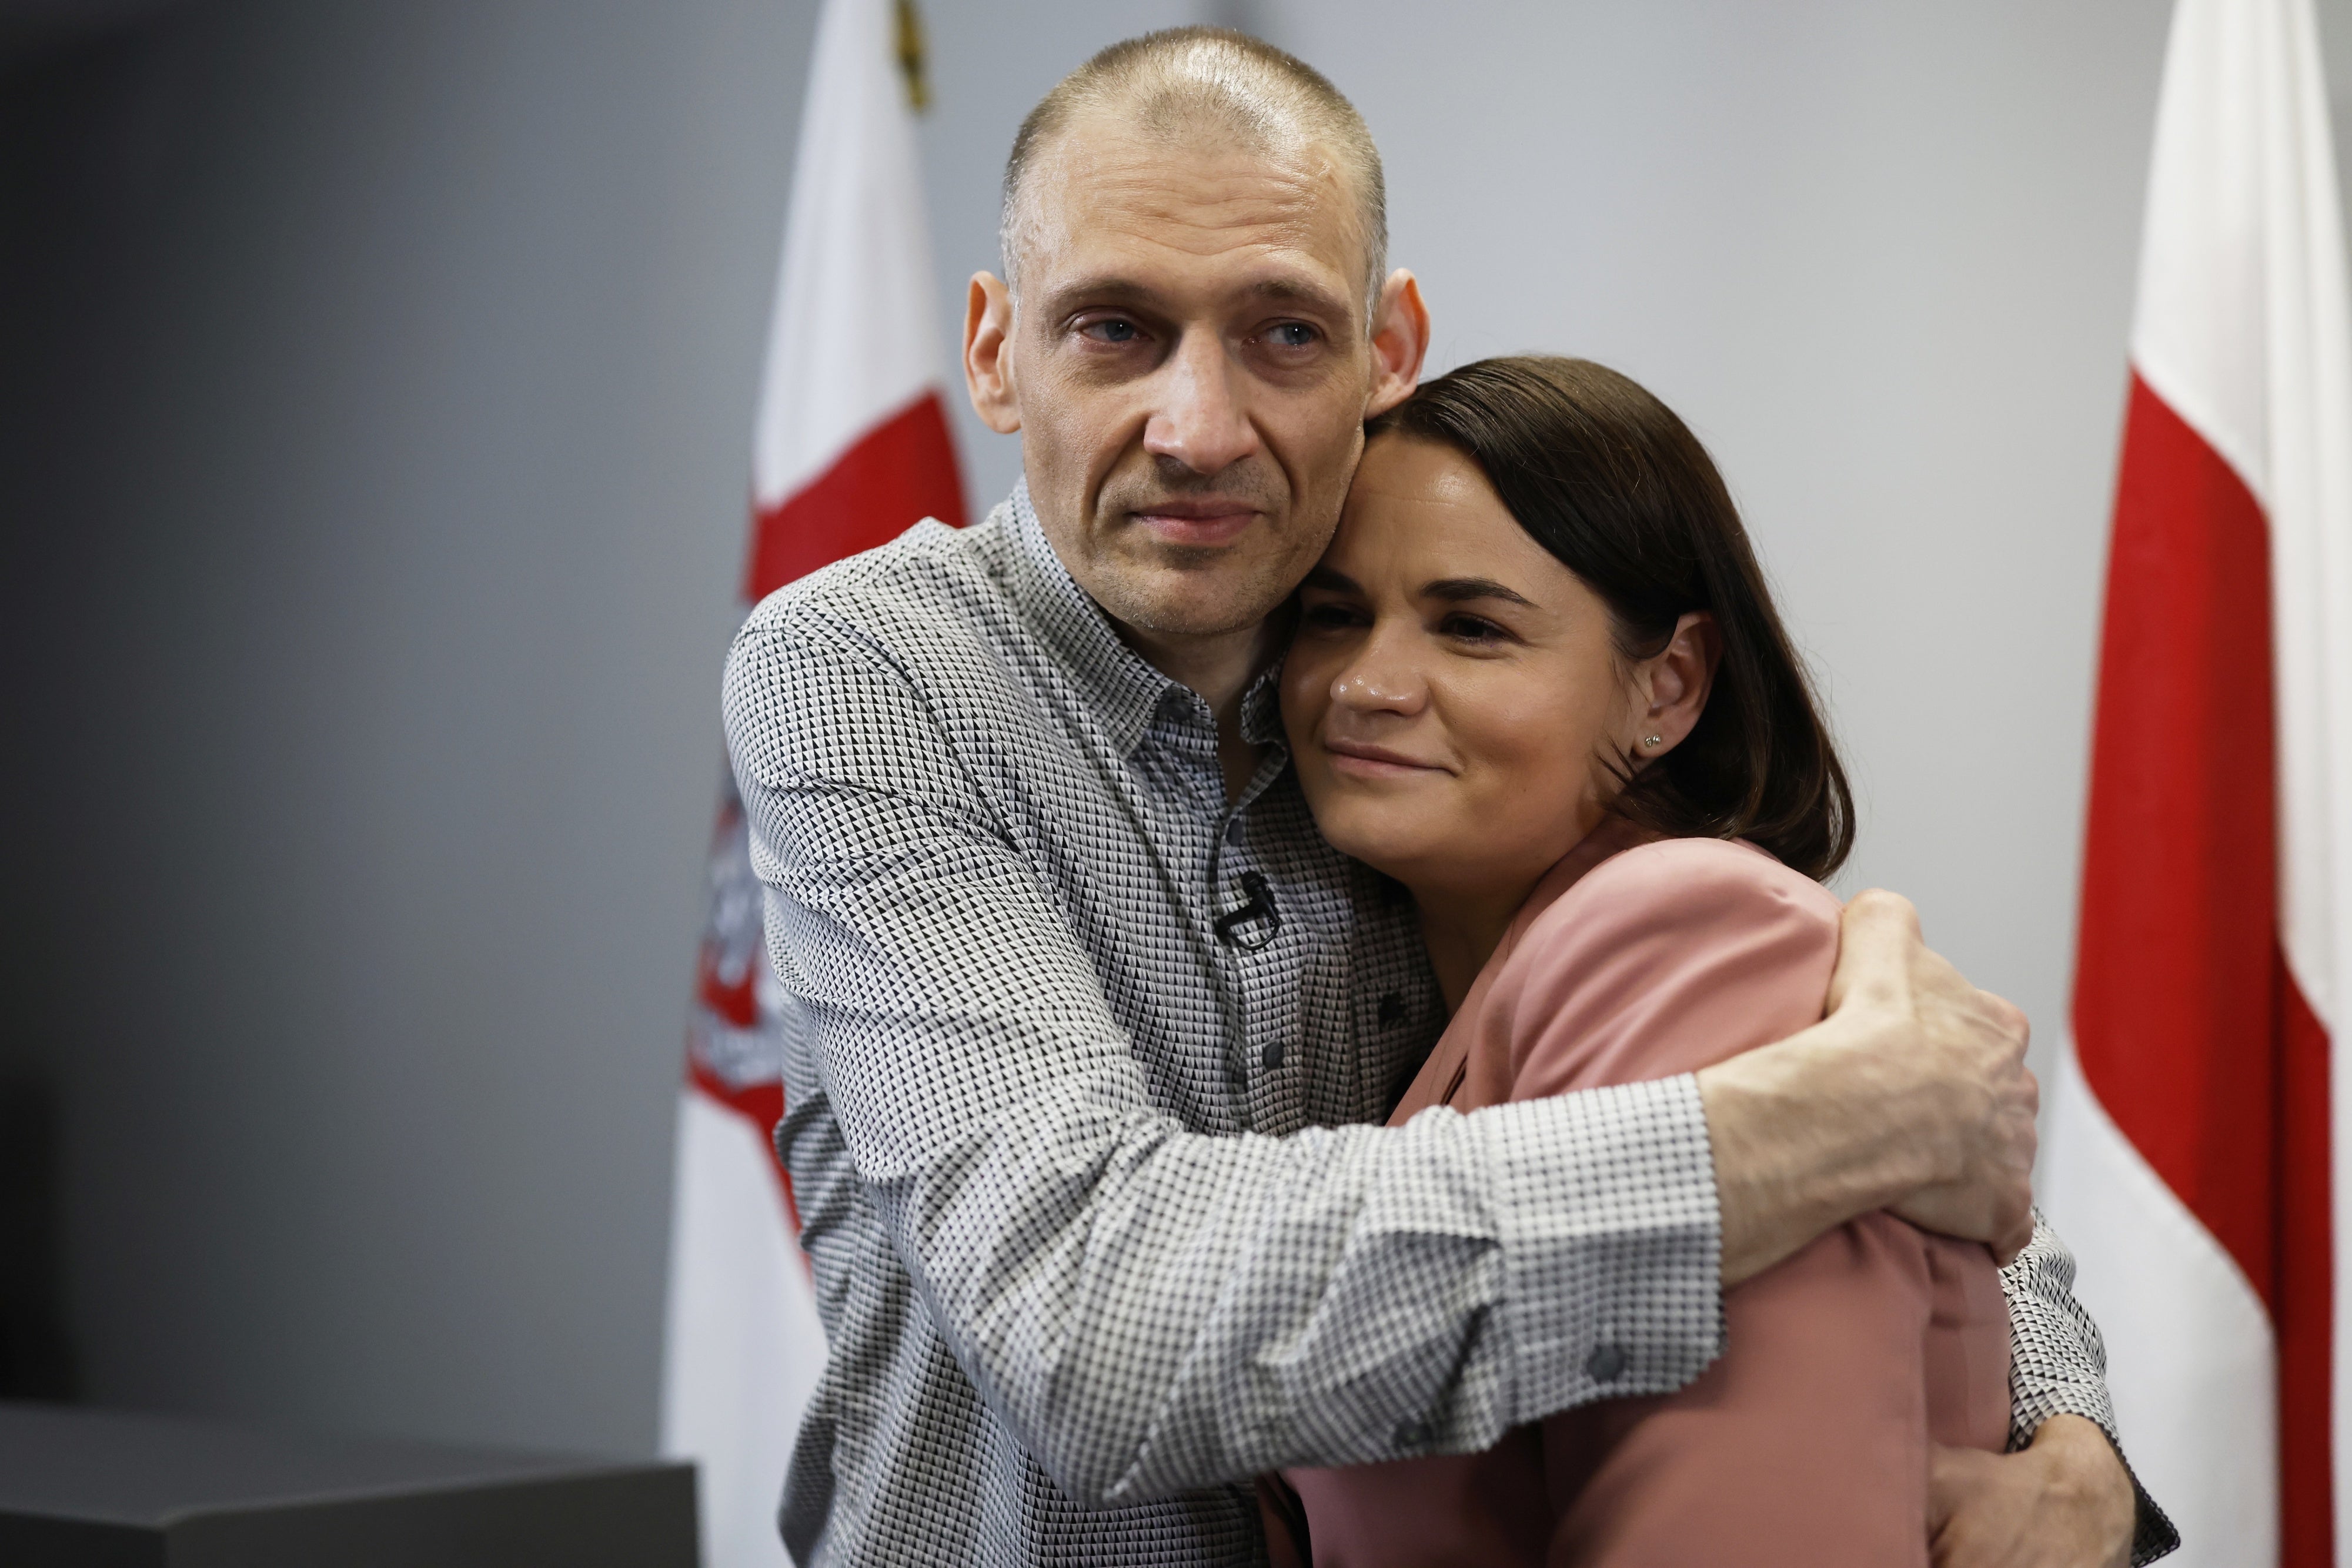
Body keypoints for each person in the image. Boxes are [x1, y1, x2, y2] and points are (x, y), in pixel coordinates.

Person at [720, 26, 2171, 1568]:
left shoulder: (1397, 682)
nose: (1199, 427)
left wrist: (2073, 1440)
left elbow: (1910, 1107)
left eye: (1283, 333)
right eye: (1114, 329)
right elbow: (1096, 1327)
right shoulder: (861, 669)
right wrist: (1797, 1133)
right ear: (997, 352)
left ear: (1387, 346)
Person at [1274, 355, 2013, 1567]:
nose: (1367, 684)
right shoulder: (1437, 975)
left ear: (1665, 685)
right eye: (1334, 615)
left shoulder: (1691, 934)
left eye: (1469, 628)